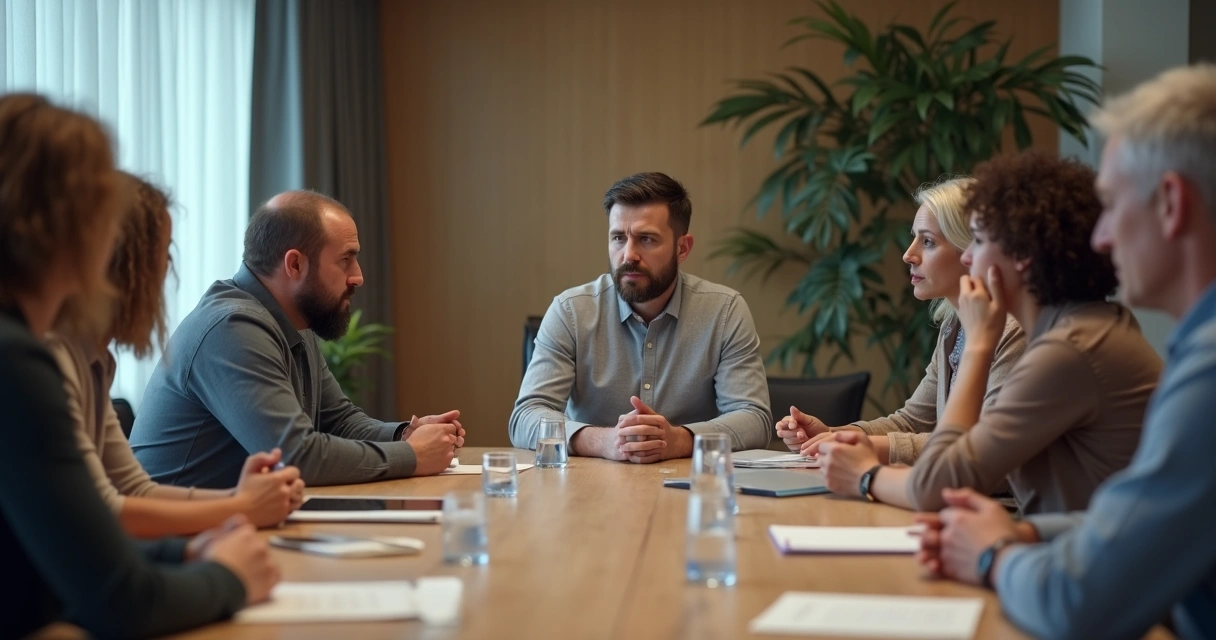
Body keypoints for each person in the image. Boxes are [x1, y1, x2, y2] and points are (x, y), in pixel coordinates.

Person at [917, 64, 1216, 640]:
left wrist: (993, 556)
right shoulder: (1191, 350)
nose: (1100, 237)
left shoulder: (1204, 370)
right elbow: (1133, 524)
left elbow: (1077, 602)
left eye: (1112, 204)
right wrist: (1029, 535)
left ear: (1170, 203)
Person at [0, 93, 276, 638]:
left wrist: (183, 551)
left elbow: (70, 544)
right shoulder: (18, 362)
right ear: (69, 224)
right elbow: (123, 603)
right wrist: (231, 577)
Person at [816, 150, 1161, 515]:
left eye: (978, 240)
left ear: (1021, 254)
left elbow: (940, 482)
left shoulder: (1070, 349)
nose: (968, 257)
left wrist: (865, 475)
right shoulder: (1073, 331)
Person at [131, 190, 465, 487]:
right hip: (179, 532)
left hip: (234, 523)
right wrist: (412, 455)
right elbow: (294, 456)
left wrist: (404, 435)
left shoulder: (292, 320)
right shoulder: (232, 327)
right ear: (294, 265)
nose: (358, 276)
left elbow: (339, 422)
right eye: (345, 259)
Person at [46, 173, 305, 538]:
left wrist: (244, 497)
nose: (168, 272)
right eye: (163, 253)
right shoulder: (54, 357)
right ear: (123, 262)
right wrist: (242, 507)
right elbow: (103, 510)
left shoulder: (95, 359)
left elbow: (134, 489)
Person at [509, 172, 771, 462]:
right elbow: (525, 417)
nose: (628, 255)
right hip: (590, 483)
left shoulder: (725, 311)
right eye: (618, 238)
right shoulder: (570, 311)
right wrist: (604, 441)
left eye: (646, 239)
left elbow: (754, 419)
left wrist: (679, 440)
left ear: (682, 248)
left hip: (691, 481)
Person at [776, 177, 1026, 470]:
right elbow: (912, 422)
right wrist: (836, 435)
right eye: (914, 238)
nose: (908, 254)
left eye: (928, 241)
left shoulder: (1013, 332)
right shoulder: (954, 327)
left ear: (970, 252)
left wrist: (867, 447)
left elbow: (982, 450)